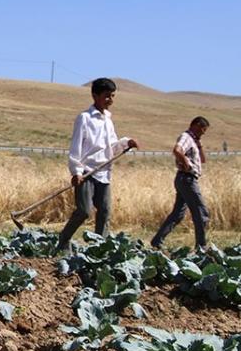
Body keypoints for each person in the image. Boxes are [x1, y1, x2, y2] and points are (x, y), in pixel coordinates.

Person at [56, 78, 139, 253]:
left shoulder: (108, 120)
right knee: (84, 211)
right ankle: (63, 240)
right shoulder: (84, 118)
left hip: (104, 172)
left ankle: (100, 249)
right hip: (87, 172)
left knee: (105, 211)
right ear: (95, 95)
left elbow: (112, 147)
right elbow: (76, 147)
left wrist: (126, 143)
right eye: (107, 96)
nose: (110, 100)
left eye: (113, 96)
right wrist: (76, 171)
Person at [150, 117, 211, 250]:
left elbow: (203, 160)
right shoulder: (186, 137)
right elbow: (177, 150)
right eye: (202, 130)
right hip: (187, 179)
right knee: (201, 211)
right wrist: (186, 163)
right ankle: (202, 246)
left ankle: (157, 241)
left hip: (185, 180)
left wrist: (199, 143)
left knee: (178, 214)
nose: (203, 133)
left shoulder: (193, 140)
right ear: (196, 125)